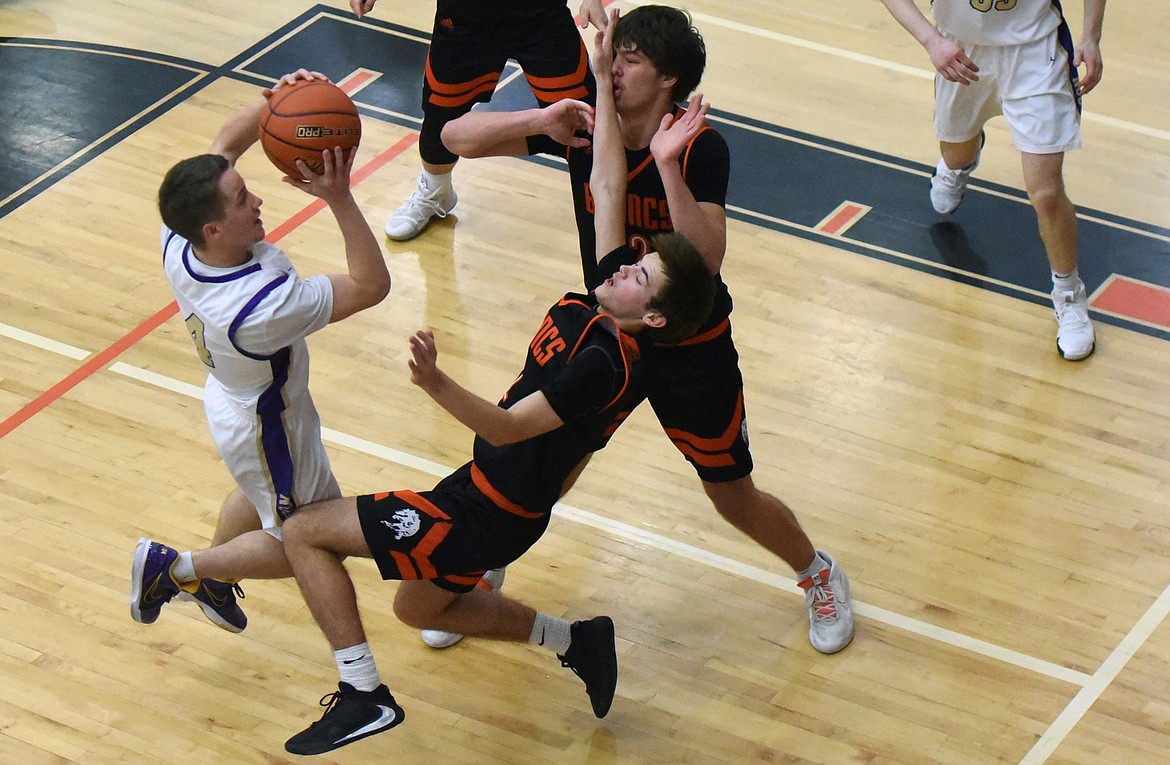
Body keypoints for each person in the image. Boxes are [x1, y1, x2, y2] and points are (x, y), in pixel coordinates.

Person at [278, 32, 717, 753]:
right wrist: (604, 83)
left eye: (641, 276)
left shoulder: (607, 361)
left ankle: (363, 693)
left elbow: (513, 428)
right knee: (420, 602)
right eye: (635, 263)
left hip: (483, 512)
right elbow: (607, 182)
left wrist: (434, 380)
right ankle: (578, 640)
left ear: (655, 316)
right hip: (490, 495)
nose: (625, 265)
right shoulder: (610, 300)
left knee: (303, 530)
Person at [441, 5, 855, 655]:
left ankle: (817, 570)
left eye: (629, 59)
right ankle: (485, 565)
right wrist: (537, 119)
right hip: (612, 333)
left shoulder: (698, 146)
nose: (611, 66)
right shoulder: (584, 122)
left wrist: (666, 163)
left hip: (690, 347)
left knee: (731, 493)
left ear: (667, 80)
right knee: (549, 464)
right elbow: (452, 139)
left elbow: (707, 259)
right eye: (614, 53)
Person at [129, 70, 392, 634]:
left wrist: (276, 99)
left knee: (263, 495)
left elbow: (223, 147)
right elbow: (371, 286)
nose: (258, 200)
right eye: (243, 200)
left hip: (236, 401)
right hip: (270, 421)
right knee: (310, 539)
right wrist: (339, 199)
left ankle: (214, 582)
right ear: (216, 229)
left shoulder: (179, 238)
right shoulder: (261, 311)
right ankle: (180, 569)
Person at [878, 0, 1105, 361]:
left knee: (1045, 193)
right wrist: (930, 40)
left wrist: (1091, 36)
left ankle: (1069, 294)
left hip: (1036, 50)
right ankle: (961, 162)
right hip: (960, 50)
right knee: (956, 152)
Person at [347, 0, 608, 241]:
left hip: (540, 13)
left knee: (584, 122)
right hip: (465, 15)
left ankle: (608, 211)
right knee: (441, 117)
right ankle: (436, 191)